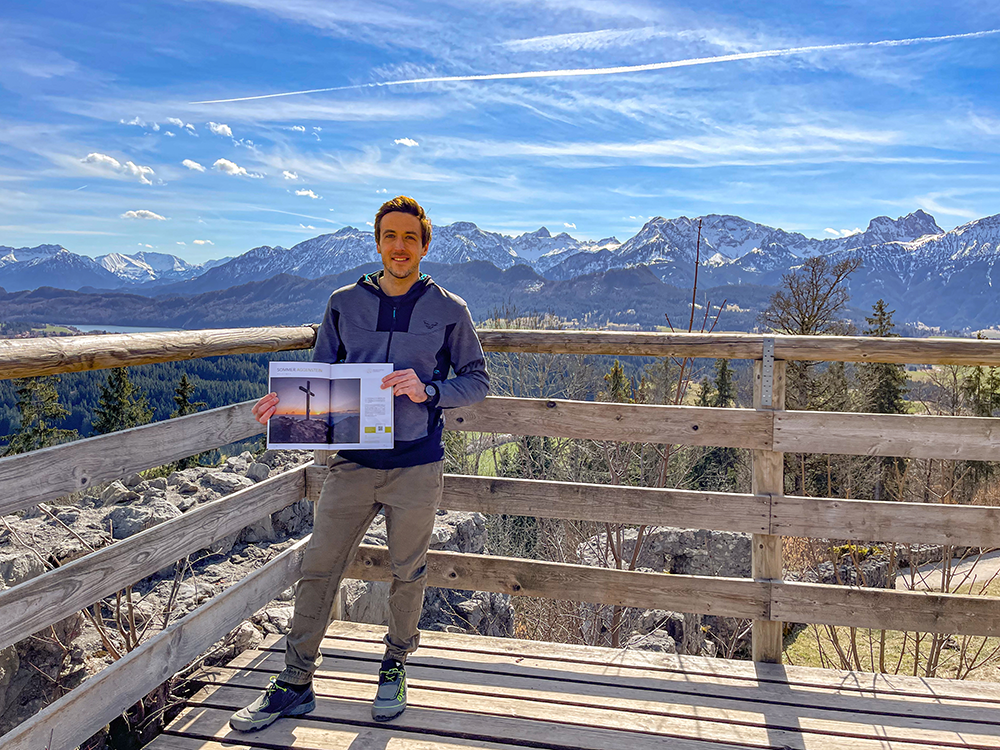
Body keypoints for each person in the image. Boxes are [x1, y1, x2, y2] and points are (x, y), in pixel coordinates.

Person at [230, 196, 489, 732]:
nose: (400, 246)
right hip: (351, 463)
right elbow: (322, 374)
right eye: (390, 236)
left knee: (408, 570)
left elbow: (478, 380)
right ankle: (295, 682)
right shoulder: (344, 302)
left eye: (410, 238)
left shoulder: (450, 309)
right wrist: (286, 406)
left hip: (417, 464)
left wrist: (432, 389)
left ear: (424, 245)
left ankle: (395, 665)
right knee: (318, 568)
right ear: (377, 242)